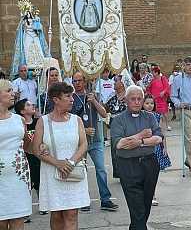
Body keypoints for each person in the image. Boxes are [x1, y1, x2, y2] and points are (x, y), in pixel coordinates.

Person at [32, 82, 90, 229]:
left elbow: (84, 145)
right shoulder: (43, 121)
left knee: (72, 214)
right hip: (52, 172)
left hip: (73, 169)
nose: (72, 99)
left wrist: (70, 163)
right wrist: (57, 163)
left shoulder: (76, 120)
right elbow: (35, 149)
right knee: (56, 215)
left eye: (72, 96)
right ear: (56, 99)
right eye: (68, 96)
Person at [110, 85, 163, 230]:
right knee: (137, 207)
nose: (136, 102)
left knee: (145, 206)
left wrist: (139, 142)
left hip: (150, 164)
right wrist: (141, 135)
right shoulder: (118, 120)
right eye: (133, 99)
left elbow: (158, 138)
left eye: (139, 99)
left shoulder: (149, 117)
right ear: (126, 100)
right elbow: (120, 144)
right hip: (128, 166)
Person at [70, 72, 119, 212]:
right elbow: (70, 120)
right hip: (80, 141)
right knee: (82, 171)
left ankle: (105, 198)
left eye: (80, 80)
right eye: (75, 81)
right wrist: (84, 130)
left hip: (96, 139)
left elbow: (104, 114)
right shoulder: (71, 99)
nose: (77, 83)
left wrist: (95, 102)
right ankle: (84, 198)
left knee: (101, 169)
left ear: (85, 81)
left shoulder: (92, 96)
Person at [0, 80, 35, 229]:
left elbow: (28, 146)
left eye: (12, 90)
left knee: (18, 219)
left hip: (19, 177)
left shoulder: (19, 120)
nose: (13, 94)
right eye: (8, 90)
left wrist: (41, 143)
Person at [170, 56, 191, 179]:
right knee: (189, 138)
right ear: (184, 66)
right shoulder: (178, 79)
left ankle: (189, 159)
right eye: (188, 65)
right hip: (187, 110)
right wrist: (178, 103)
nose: (190, 67)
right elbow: (173, 95)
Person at [14, 98, 48, 220]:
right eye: (28, 105)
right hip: (25, 158)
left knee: (39, 182)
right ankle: (25, 210)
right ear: (22, 111)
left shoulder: (38, 122)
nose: (32, 106)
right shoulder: (19, 124)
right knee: (26, 185)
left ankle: (42, 205)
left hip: (37, 157)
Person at [143, 94, 171, 206]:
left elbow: (162, 133)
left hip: (157, 147)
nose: (149, 106)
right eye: (147, 103)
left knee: (153, 173)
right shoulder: (141, 116)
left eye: (151, 103)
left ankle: (153, 195)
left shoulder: (158, 117)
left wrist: (164, 147)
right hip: (144, 146)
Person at [105, 72, 133, 178]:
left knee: (127, 147)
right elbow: (106, 107)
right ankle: (120, 173)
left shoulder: (128, 95)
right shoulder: (112, 95)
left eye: (116, 81)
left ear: (122, 83)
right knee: (115, 149)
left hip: (127, 125)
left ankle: (129, 171)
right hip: (114, 125)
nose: (114, 83)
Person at [11, 0, 50, 75]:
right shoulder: (24, 21)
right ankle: (29, 64)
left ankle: (40, 64)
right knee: (27, 49)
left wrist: (37, 21)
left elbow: (38, 27)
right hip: (27, 36)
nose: (28, 14)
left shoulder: (34, 20)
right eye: (27, 13)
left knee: (38, 49)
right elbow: (20, 28)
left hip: (34, 36)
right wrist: (23, 17)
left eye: (29, 13)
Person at [147, 66, 171, 131]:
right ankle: (158, 125)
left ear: (157, 72)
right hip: (155, 99)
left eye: (153, 72)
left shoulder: (163, 78)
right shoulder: (152, 81)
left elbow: (167, 86)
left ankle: (168, 125)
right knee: (156, 113)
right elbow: (148, 88)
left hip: (162, 98)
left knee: (164, 112)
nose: (152, 74)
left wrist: (163, 92)